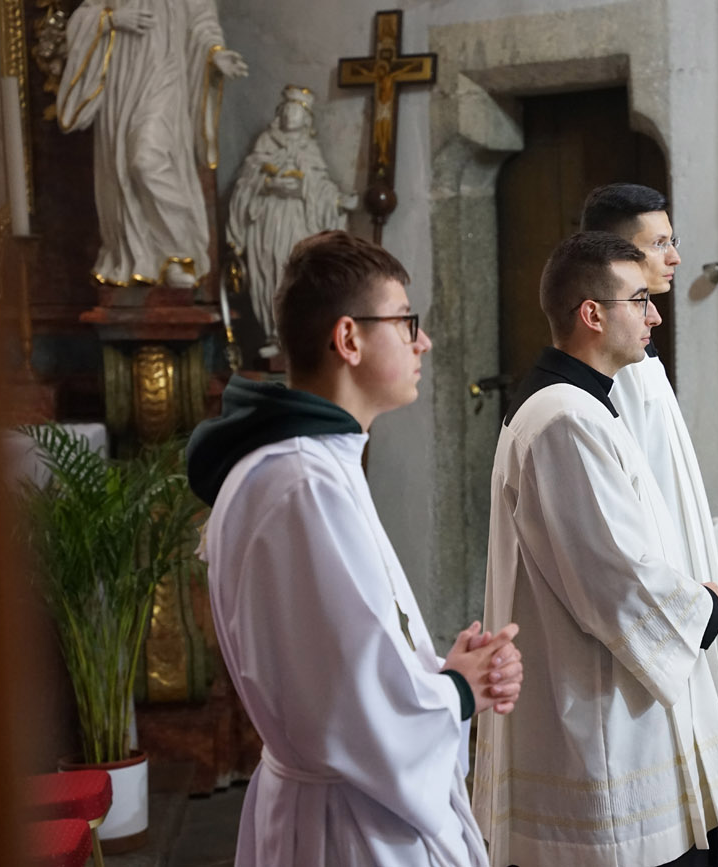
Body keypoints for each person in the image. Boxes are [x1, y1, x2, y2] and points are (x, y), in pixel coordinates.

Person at [186, 230, 522, 866]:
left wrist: (439, 672)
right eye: (405, 321)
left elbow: (334, 666)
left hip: (337, 807)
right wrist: (457, 692)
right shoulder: (303, 483)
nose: (423, 341)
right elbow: (350, 708)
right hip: (350, 827)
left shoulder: (307, 465)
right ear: (349, 339)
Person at [472, 232, 718, 867]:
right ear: (592, 313)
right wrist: (705, 608)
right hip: (601, 721)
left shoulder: (580, 407)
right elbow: (614, 577)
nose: (655, 317)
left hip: (610, 703)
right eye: (640, 300)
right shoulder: (564, 419)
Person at [581, 183, 718, 739]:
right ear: (618, 255)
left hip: (685, 590)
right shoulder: (616, 367)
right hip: (663, 597)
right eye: (659, 244)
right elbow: (635, 507)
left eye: (673, 241)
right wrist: (685, 601)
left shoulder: (640, 353)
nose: (674, 257)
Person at [56, 0, 248, 288]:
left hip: (167, 76)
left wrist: (214, 53)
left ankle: (180, 248)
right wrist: (111, 20)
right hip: (122, 80)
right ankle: (146, 257)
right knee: (125, 168)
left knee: (146, 160)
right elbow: (82, 18)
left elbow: (202, 21)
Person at [227, 86, 359, 356]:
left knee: (294, 268)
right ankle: (273, 333)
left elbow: (319, 185)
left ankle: (295, 334)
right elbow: (247, 181)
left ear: (306, 117)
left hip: (296, 219)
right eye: (286, 108)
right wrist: (267, 184)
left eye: (296, 110)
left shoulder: (309, 148)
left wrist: (335, 201)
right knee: (268, 268)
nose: (290, 114)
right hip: (267, 219)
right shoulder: (266, 142)